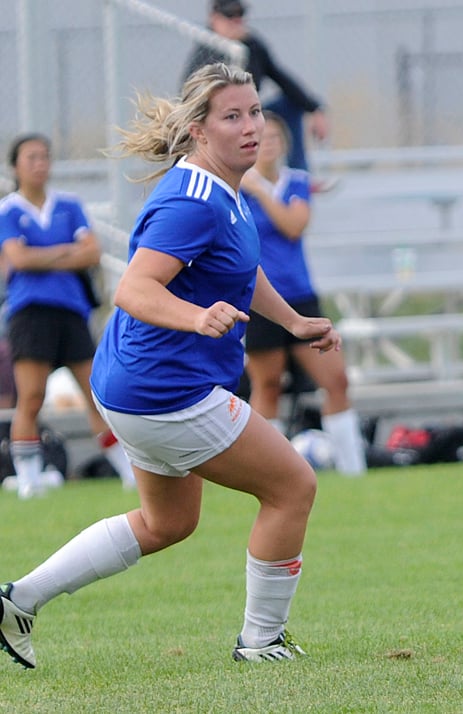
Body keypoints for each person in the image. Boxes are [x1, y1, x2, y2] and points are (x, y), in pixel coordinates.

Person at [0, 62, 341, 670]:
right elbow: (133, 289)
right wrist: (195, 317)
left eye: (255, 112)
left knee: (168, 522)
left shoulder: (223, 188)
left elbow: (240, 270)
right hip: (167, 392)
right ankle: (262, 641)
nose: (250, 126)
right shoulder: (195, 200)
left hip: (134, 386)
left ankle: (17, 601)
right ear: (199, 130)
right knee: (293, 486)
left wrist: (290, 321)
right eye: (231, 116)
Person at [0, 133, 137, 496]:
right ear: (16, 165)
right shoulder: (9, 210)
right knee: (30, 396)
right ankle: (28, 478)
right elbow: (18, 259)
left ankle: (128, 470)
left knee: (97, 393)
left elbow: (91, 252)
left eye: (45, 156)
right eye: (31, 157)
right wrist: (65, 252)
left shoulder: (70, 204)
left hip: (71, 311)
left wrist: (42, 254)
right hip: (31, 314)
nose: (40, 164)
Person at [241, 111, 366, 476]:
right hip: (260, 300)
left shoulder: (293, 183)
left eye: (276, 138)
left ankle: (352, 468)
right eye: (264, 138)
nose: (269, 145)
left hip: (299, 296)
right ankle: (268, 472)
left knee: (335, 380)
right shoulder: (236, 186)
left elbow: (294, 226)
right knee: (267, 385)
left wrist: (261, 191)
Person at [182, 0, 329, 176]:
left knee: (289, 104)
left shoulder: (252, 45)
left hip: (249, 112)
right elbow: (189, 98)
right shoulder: (207, 50)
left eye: (240, 15)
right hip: (222, 118)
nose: (236, 21)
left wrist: (314, 108)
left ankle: (298, 177)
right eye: (229, 16)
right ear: (214, 18)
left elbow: (281, 77)